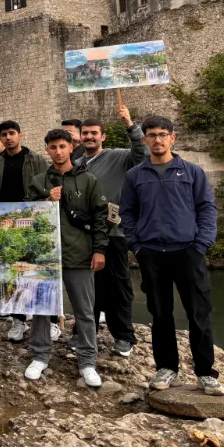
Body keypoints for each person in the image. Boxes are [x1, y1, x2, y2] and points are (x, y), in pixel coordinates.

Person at [119, 116, 224, 396]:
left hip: (188, 251)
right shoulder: (135, 176)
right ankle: (167, 368)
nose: (157, 139)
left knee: (199, 313)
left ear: (172, 138)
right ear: (145, 140)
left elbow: (207, 209)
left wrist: (202, 244)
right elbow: (127, 213)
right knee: (160, 313)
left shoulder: (191, 172)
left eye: (162, 134)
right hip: (151, 253)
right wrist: (136, 245)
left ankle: (205, 373)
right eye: (151, 135)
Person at [23, 129, 108, 388]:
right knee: (41, 308)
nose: (58, 151)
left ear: (71, 147)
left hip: (79, 254)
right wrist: (47, 199)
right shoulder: (39, 181)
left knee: (84, 310)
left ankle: (87, 361)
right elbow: (25, 213)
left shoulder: (88, 180)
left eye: (62, 146)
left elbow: (100, 216)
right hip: (45, 255)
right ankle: (40, 355)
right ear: (47, 150)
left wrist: (100, 250)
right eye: (52, 147)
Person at [75, 105, 147, 358]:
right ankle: (86, 333)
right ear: (80, 137)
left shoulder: (118, 157)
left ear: (102, 136)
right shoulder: (76, 163)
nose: (89, 137)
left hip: (114, 234)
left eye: (94, 133)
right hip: (83, 236)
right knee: (87, 286)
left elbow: (142, 154)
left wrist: (130, 124)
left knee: (118, 286)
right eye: (85, 133)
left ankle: (124, 336)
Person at [0, 120, 48, 342]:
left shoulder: (36, 160)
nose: (8, 138)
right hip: (6, 224)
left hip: (31, 222)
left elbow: (46, 188)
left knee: (37, 270)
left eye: (11, 133)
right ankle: (18, 320)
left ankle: (45, 322)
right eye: (4, 134)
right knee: (12, 271)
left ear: (20, 135)